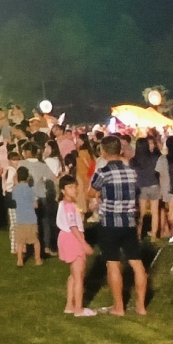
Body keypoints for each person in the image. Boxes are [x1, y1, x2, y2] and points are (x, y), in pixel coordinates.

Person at [91, 135, 148, 316]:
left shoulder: (103, 172)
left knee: (113, 263)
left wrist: (99, 198)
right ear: (120, 150)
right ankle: (141, 306)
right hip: (129, 222)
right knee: (136, 263)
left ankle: (118, 307)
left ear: (103, 151)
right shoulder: (131, 172)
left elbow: (91, 191)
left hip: (109, 222)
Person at [55, 176, 95, 316]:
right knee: (79, 276)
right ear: (63, 190)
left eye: (75, 186)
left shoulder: (64, 204)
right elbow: (73, 225)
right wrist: (84, 244)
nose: (75, 190)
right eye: (70, 187)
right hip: (73, 238)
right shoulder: (69, 206)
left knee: (73, 274)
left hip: (65, 238)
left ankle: (69, 305)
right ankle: (79, 309)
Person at [12, 165, 42, 266]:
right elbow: (36, 205)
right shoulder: (31, 189)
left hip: (20, 219)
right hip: (31, 219)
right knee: (35, 241)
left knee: (20, 241)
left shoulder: (15, 190)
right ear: (27, 177)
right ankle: (38, 259)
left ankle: (19, 260)